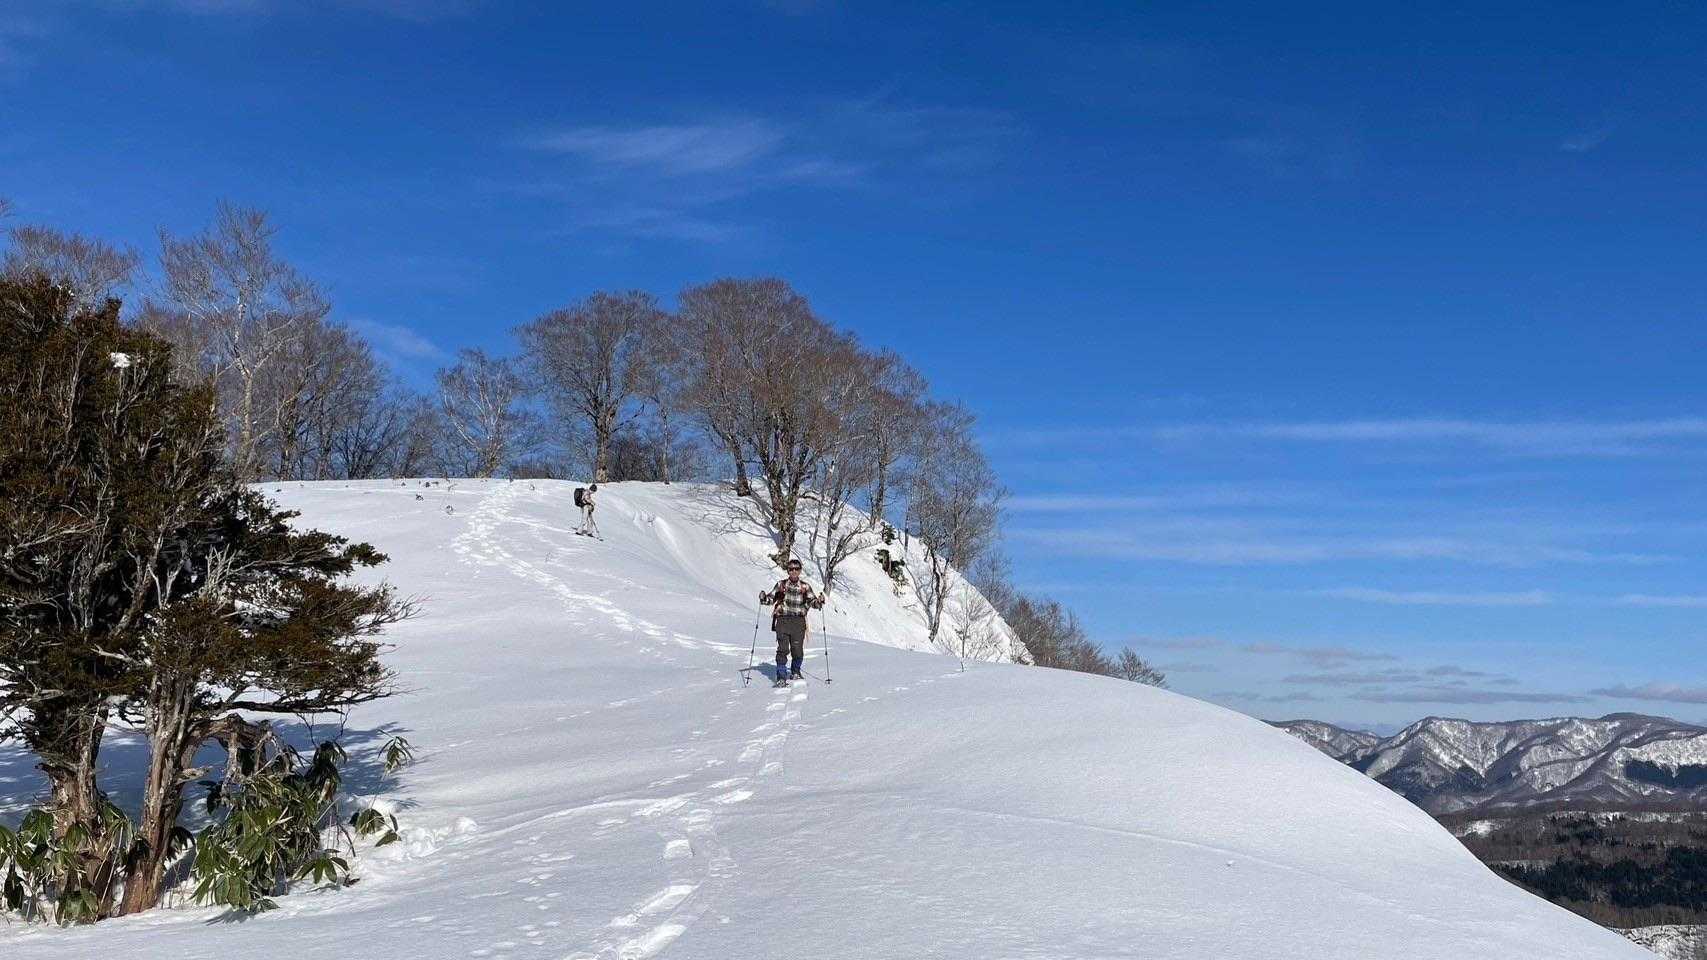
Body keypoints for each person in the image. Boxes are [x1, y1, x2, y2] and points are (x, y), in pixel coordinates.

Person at [760, 558, 823, 686]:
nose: (794, 571)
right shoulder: (781, 585)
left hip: (798, 622)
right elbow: (771, 599)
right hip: (783, 620)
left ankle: (795, 671)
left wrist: (819, 601)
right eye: (791, 569)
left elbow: (813, 602)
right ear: (788, 571)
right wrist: (763, 598)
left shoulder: (805, 587)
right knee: (782, 649)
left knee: (797, 650)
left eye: (796, 569)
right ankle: (781, 677)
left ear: (800, 571)